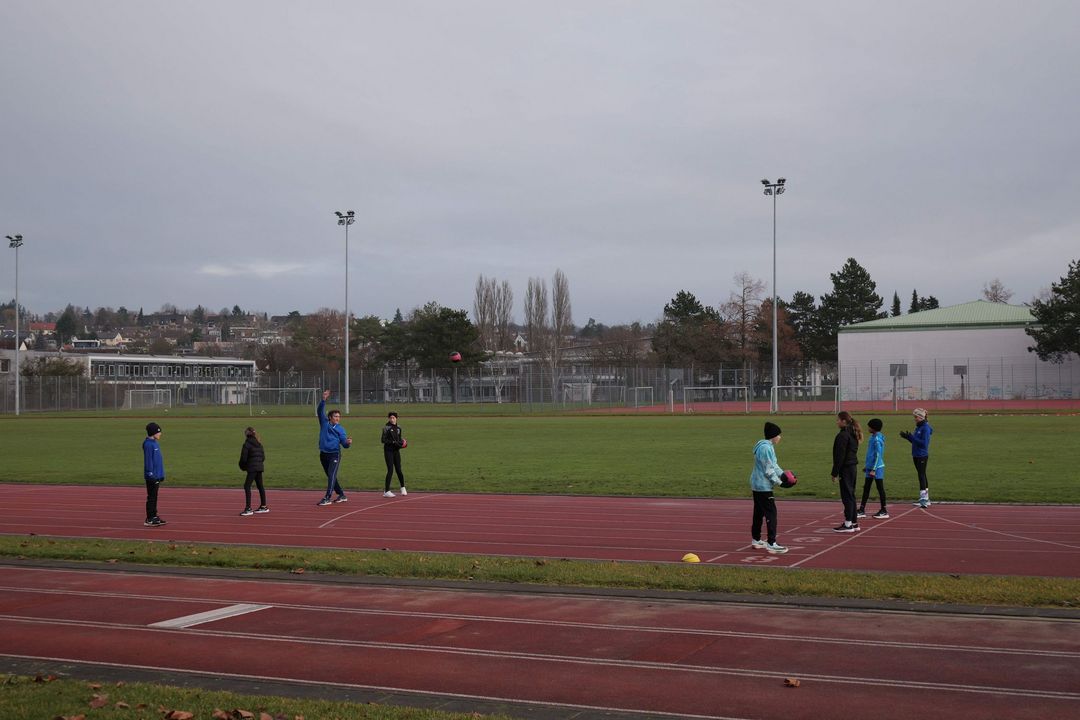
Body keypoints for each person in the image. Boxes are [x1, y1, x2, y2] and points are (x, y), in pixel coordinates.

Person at [748, 421, 789, 554]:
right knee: (771, 513)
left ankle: (756, 540)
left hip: (758, 484)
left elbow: (774, 466)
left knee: (758, 513)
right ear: (773, 435)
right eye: (779, 435)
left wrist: (783, 475)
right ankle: (772, 543)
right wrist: (780, 482)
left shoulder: (767, 446)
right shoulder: (766, 448)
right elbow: (768, 469)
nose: (780, 437)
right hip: (763, 486)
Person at [315, 389, 352, 506]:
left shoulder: (340, 429)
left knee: (331, 475)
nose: (337, 418)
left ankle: (327, 497)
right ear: (330, 417)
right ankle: (341, 494)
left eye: (339, 416)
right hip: (323, 454)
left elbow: (344, 445)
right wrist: (323, 400)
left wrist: (347, 443)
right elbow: (320, 411)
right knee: (331, 477)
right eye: (335, 416)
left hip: (334, 454)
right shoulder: (324, 423)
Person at [831, 411, 862, 532]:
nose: (837, 422)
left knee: (847, 496)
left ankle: (848, 523)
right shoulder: (853, 434)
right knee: (851, 495)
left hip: (846, 468)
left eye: (838, 420)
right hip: (852, 467)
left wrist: (834, 472)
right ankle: (854, 522)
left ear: (844, 421)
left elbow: (840, 456)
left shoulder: (843, 436)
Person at [902, 407, 934, 508]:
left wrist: (912, 437)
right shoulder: (919, 427)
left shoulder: (925, 428)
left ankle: (923, 499)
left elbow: (924, 444)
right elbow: (915, 442)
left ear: (920, 417)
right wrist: (908, 438)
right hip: (916, 454)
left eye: (915, 416)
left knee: (921, 475)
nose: (914, 418)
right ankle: (926, 498)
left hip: (921, 455)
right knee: (922, 475)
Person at [858, 418, 889, 519]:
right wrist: (867, 466)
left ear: (873, 428)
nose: (868, 428)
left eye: (869, 426)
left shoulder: (877, 440)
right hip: (870, 467)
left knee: (880, 488)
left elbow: (878, 455)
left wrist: (874, 469)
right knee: (866, 488)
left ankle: (884, 510)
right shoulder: (872, 437)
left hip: (877, 468)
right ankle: (862, 510)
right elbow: (870, 455)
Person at [238, 426, 268, 516]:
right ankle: (263, 506)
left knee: (247, 486)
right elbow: (263, 457)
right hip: (259, 467)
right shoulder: (259, 443)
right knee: (260, 486)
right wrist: (258, 464)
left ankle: (248, 508)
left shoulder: (247, 444)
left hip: (252, 468)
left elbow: (243, 458)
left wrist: (243, 467)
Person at [142, 422, 167, 527]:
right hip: (151, 476)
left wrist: (161, 474)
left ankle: (154, 515)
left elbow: (158, 461)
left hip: (157, 475)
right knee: (151, 497)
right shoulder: (148, 445)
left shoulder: (155, 443)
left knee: (155, 496)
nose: (160, 433)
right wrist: (150, 474)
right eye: (158, 432)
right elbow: (149, 461)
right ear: (153, 433)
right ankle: (149, 518)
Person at [381, 411, 407, 497]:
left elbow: (399, 439)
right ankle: (386, 491)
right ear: (389, 418)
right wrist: (392, 442)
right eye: (390, 418)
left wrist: (402, 444)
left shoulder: (399, 428)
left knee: (399, 470)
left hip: (396, 451)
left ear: (396, 418)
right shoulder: (386, 428)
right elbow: (383, 440)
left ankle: (403, 487)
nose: (392, 419)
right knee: (390, 470)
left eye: (393, 418)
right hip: (388, 451)